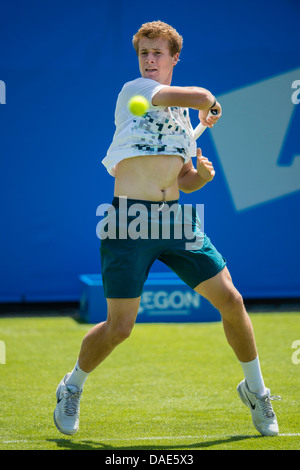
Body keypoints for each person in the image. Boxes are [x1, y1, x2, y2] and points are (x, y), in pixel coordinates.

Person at [54, 20, 280, 437]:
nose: (150, 60)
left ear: (174, 58)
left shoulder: (180, 120)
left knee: (232, 300)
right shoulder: (135, 91)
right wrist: (208, 100)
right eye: (144, 53)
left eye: (158, 53)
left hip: (176, 219)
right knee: (120, 327)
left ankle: (257, 391)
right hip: (128, 220)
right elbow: (198, 95)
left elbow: (182, 178)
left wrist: (201, 178)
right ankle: (72, 385)